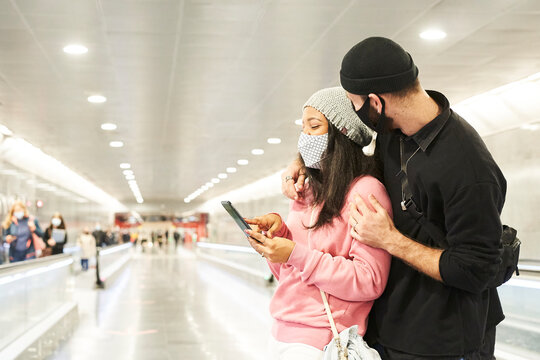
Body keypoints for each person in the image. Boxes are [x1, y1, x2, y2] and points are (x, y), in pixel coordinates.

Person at [282, 37, 506, 359]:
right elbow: (357, 166)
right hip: (389, 329)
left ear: (375, 102)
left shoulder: (468, 167)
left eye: (355, 104)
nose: (357, 114)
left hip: (442, 340)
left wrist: (391, 240)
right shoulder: (393, 132)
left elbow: (476, 269)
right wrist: (305, 165)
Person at [244, 87, 393, 359]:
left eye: (315, 126)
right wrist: (278, 239)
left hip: (323, 340)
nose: (305, 137)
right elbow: (289, 275)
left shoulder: (365, 192)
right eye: (303, 127)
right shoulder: (307, 191)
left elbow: (370, 280)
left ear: (342, 133)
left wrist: (295, 254)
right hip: (280, 332)